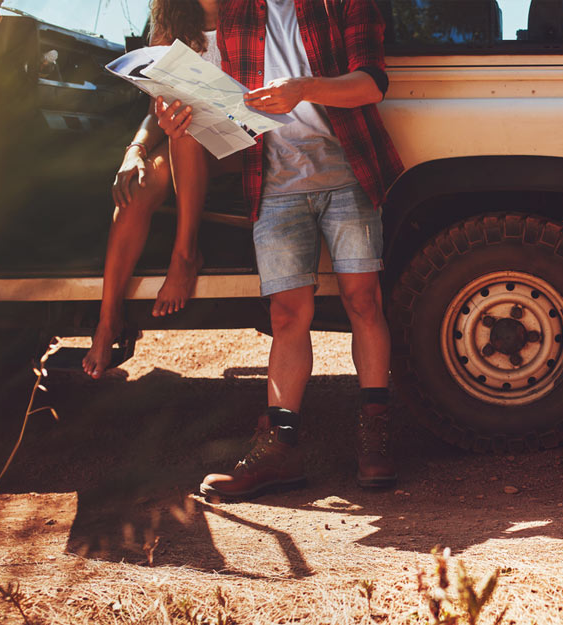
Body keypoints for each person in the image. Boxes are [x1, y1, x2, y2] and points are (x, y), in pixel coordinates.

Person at [158, 0, 404, 498]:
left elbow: (372, 82)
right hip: (274, 181)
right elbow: (210, 90)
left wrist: (303, 88)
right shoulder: (237, 13)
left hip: (348, 172)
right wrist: (172, 113)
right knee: (288, 316)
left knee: (363, 300)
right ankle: (280, 451)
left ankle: (375, 438)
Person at [83, 0, 235, 378]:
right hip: (185, 138)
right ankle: (108, 320)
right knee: (137, 186)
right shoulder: (171, 20)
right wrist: (133, 151)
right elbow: (157, 110)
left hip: (241, 142)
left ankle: (185, 256)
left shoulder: (252, 13)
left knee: (184, 131)